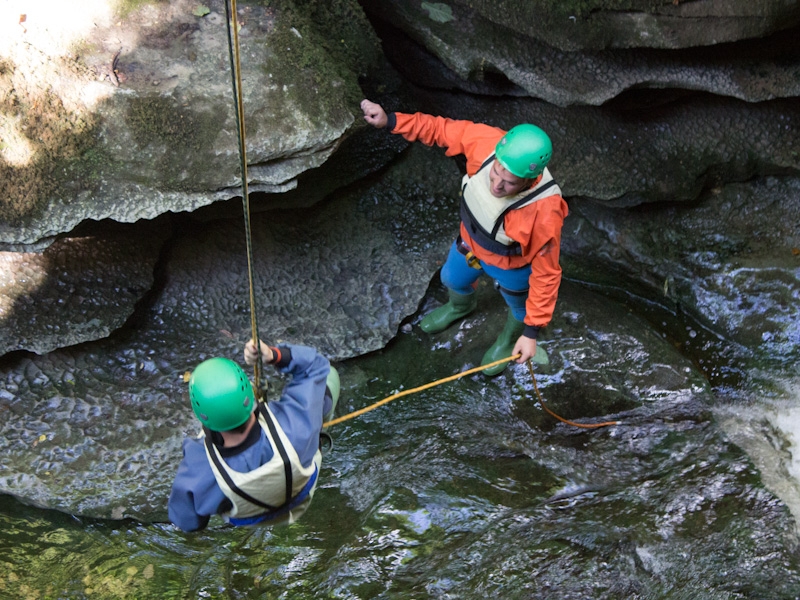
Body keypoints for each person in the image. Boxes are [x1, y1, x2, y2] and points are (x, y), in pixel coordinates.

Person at [360, 99, 569, 375]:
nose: (496, 185)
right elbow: (439, 129)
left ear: (530, 180)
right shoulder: (486, 143)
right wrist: (390, 120)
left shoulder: (543, 212)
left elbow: (546, 274)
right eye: (496, 172)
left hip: (512, 265)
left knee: (520, 309)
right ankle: (461, 306)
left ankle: (509, 341)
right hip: (470, 243)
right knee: (451, 278)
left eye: (509, 183)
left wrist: (531, 333)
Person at [168, 339, 339, 532]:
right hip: (301, 498)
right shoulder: (295, 424)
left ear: (202, 417)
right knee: (328, 379)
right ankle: (322, 418)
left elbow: (186, 522)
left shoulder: (199, 470)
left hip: (251, 520)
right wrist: (274, 355)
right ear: (249, 395)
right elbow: (316, 366)